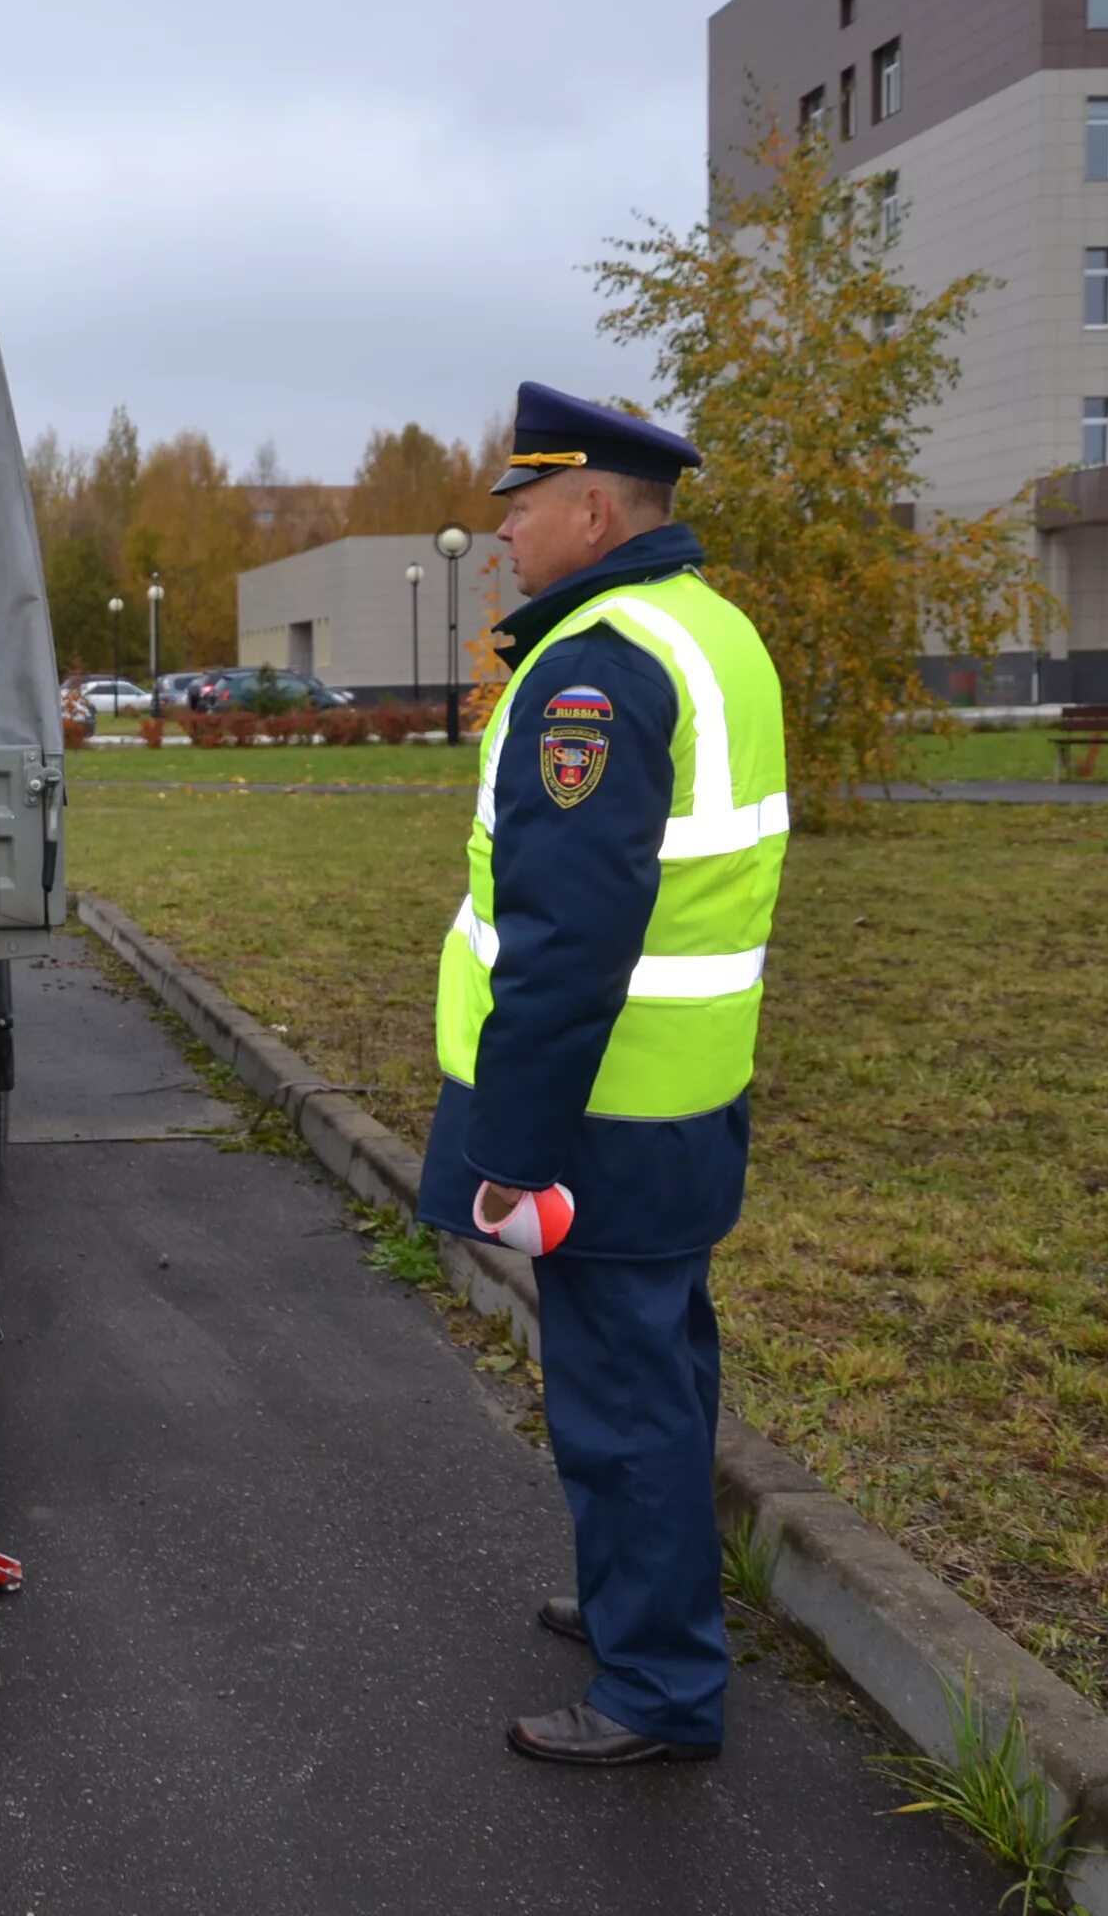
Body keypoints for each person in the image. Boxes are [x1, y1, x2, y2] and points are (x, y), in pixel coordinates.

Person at [420, 382, 789, 1767]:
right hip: (684, 1093)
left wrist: (512, 1145)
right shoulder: (711, 632)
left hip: (605, 1110)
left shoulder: (598, 668)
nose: (504, 533)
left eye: (520, 507)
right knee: (664, 1370)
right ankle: (648, 1597)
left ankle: (657, 1690)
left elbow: (568, 940)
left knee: (621, 1396)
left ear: (592, 510)